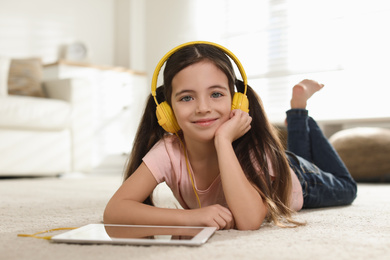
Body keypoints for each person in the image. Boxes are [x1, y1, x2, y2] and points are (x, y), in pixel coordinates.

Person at [103, 43, 357, 231]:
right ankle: (298, 116)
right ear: (167, 111)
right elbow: (115, 210)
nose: (203, 107)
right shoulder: (168, 150)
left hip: (300, 178)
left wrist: (223, 141)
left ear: (237, 101)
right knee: (299, 154)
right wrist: (191, 218)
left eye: (216, 94)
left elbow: (248, 221)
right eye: (187, 98)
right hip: (276, 162)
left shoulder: (254, 148)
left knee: (347, 188)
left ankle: (300, 114)